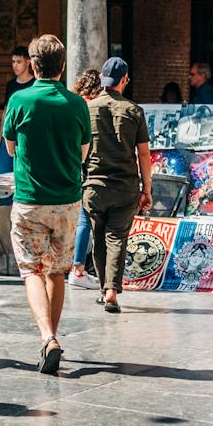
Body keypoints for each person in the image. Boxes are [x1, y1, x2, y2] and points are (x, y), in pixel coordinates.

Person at [3, 34, 90, 374]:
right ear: (62, 66)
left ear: (33, 64)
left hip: (30, 199)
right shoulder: (77, 103)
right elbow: (83, 152)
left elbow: (10, 147)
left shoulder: (20, 100)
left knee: (31, 270)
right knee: (56, 270)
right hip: (67, 199)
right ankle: (51, 339)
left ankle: (47, 337)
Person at [84, 57, 152, 313]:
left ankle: (105, 289)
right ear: (124, 80)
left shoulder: (87, 109)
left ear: (102, 80)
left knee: (98, 238)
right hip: (125, 187)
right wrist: (147, 189)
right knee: (116, 238)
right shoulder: (134, 111)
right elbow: (143, 154)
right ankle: (111, 290)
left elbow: (78, 148)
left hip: (94, 184)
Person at [68, 68, 103, 289]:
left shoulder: (72, 102)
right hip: (86, 163)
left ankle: (74, 266)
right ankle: (78, 268)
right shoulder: (91, 105)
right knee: (84, 217)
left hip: (69, 163)